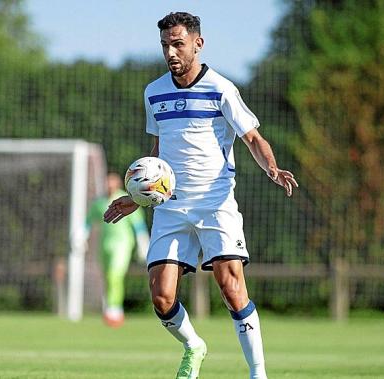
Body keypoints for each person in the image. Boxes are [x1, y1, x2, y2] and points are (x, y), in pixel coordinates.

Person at [103, 12, 298, 379]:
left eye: (178, 44)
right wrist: (138, 198)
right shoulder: (154, 92)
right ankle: (193, 345)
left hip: (215, 203)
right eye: (165, 45)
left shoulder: (222, 89)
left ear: (197, 43)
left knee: (231, 286)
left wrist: (271, 167)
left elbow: (252, 137)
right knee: (161, 298)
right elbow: (157, 155)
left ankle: (259, 374)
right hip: (171, 208)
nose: (171, 53)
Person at [86, 172, 150, 328]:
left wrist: (143, 243)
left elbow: (138, 224)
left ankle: (115, 309)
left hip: (122, 244)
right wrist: (81, 236)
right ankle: (109, 307)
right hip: (104, 245)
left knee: (115, 275)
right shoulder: (99, 202)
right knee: (108, 277)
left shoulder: (126, 200)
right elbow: (87, 222)